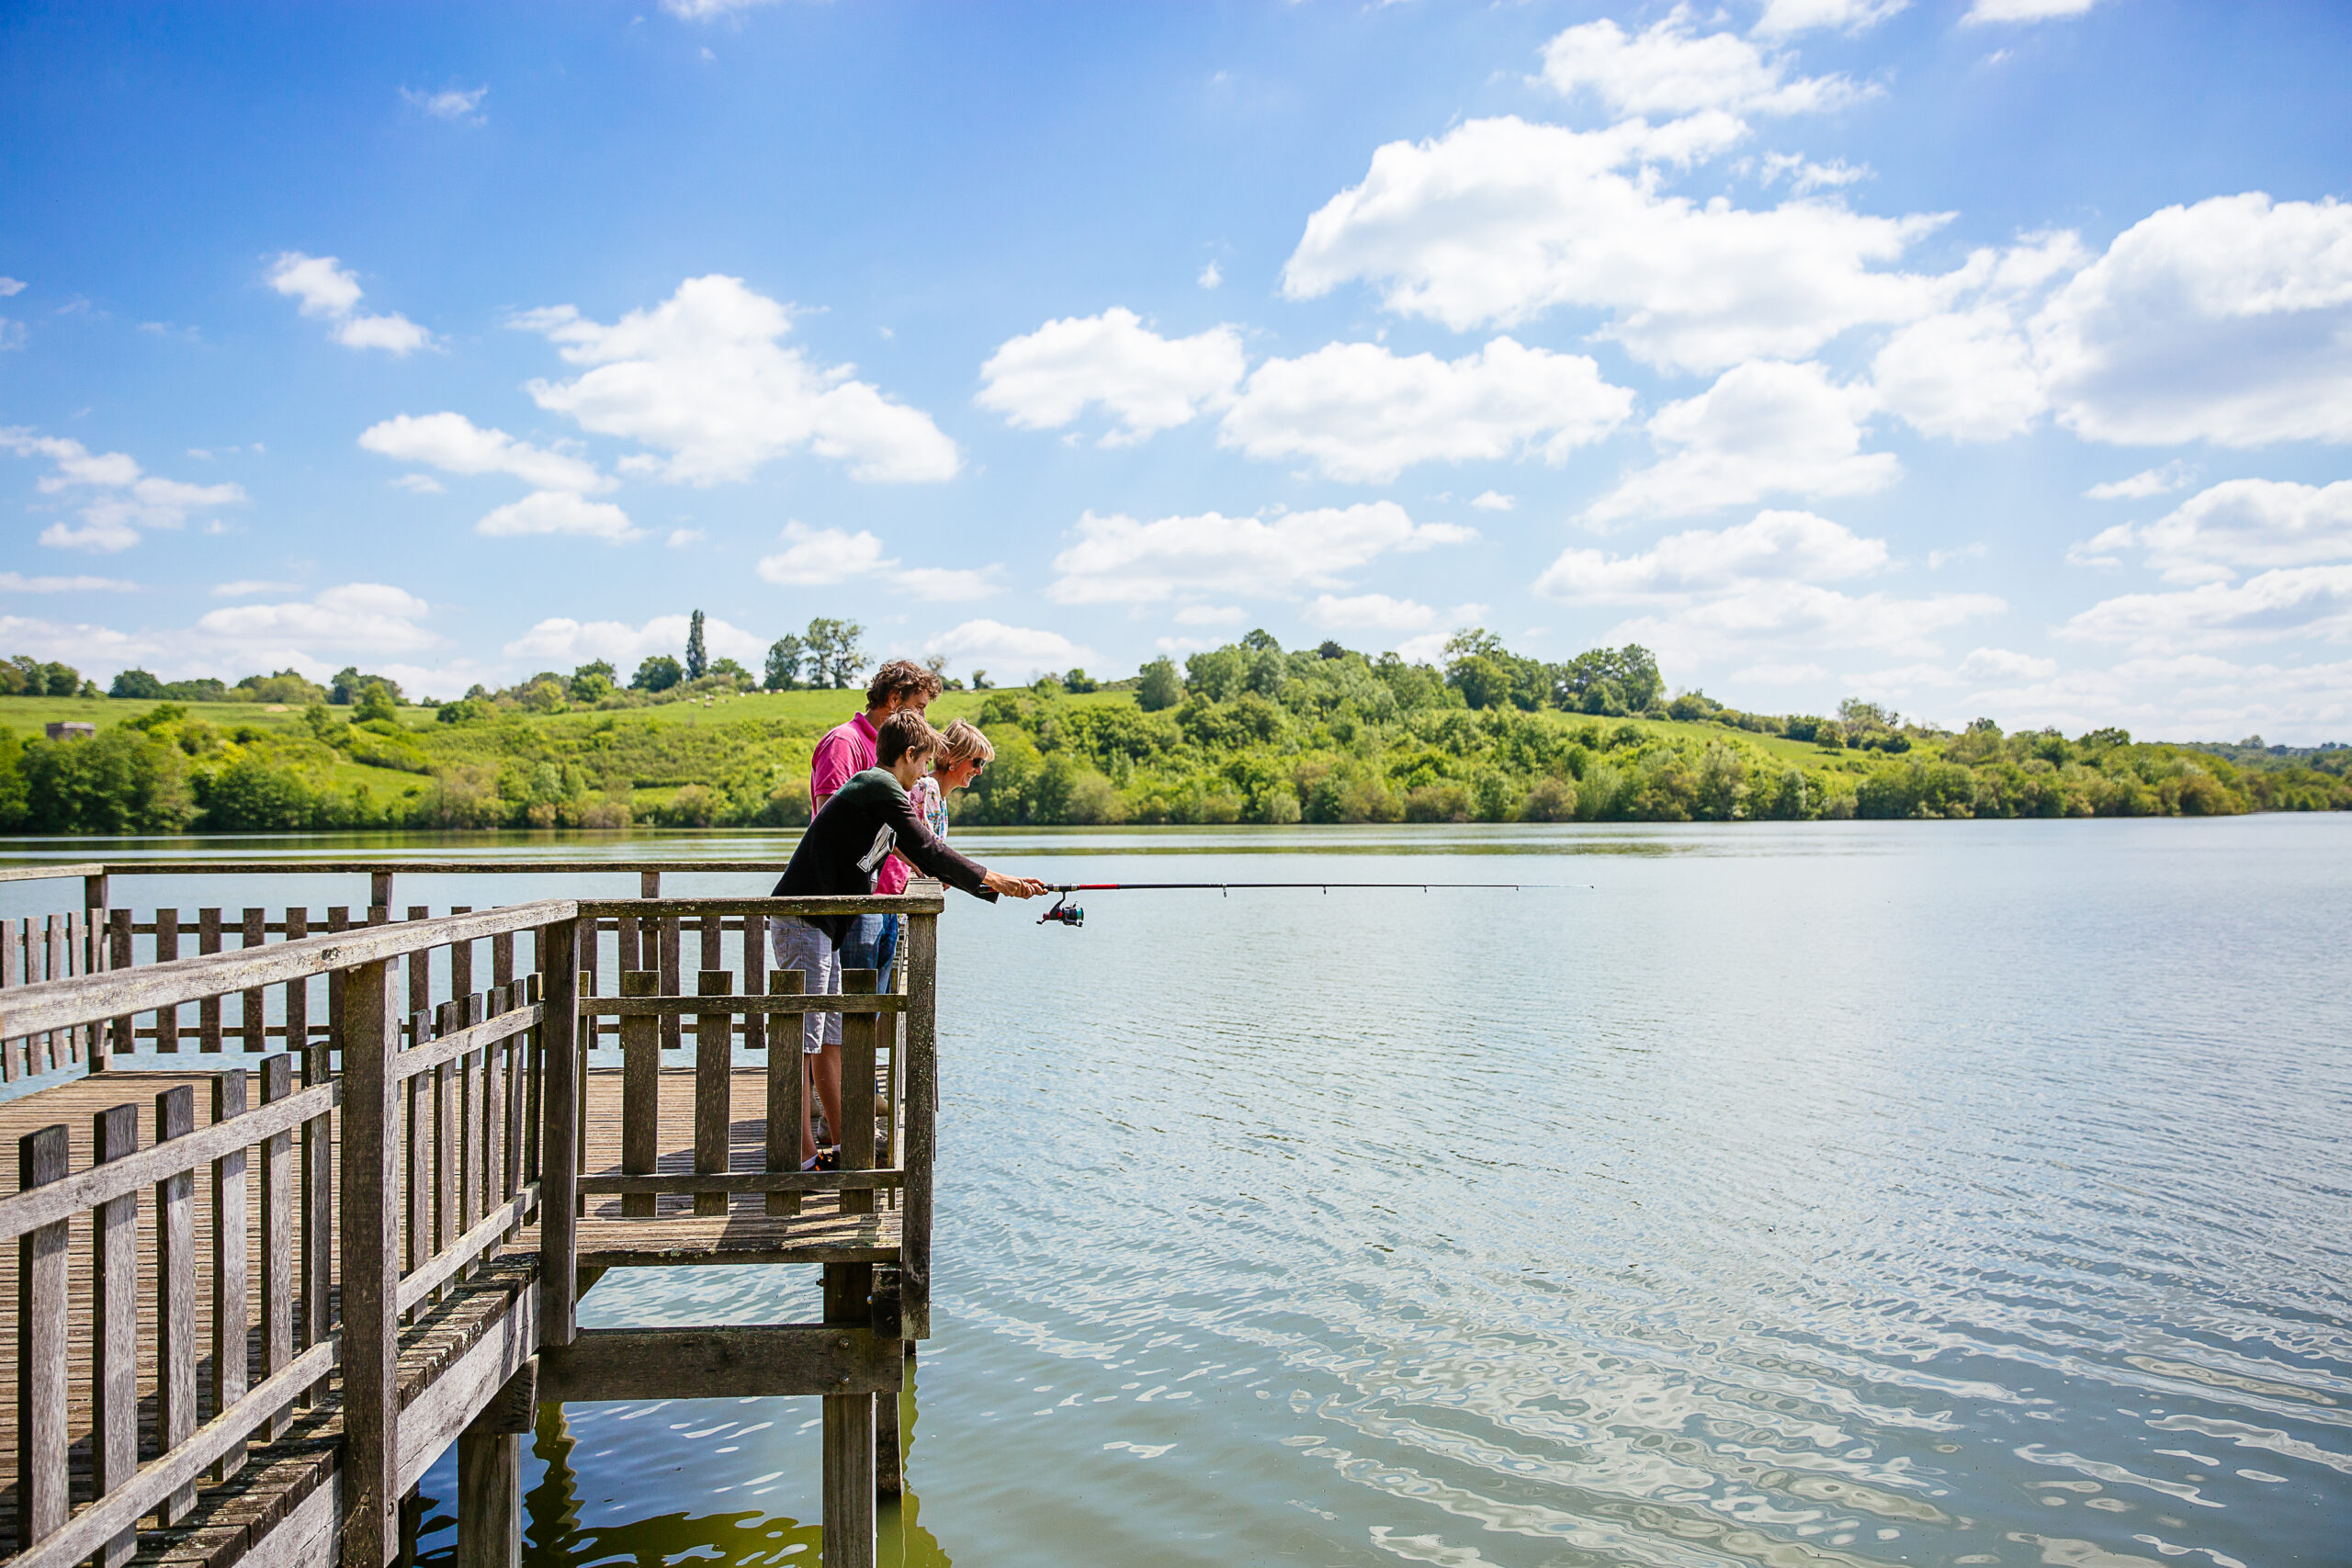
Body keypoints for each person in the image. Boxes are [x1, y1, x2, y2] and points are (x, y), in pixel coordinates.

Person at [772, 710, 1046, 1166]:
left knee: (828, 1033)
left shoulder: (879, 793)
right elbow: (930, 847)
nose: (925, 775)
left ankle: (844, 1144)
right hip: (803, 920)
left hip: (824, 925)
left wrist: (976, 882)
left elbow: (915, 854)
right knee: (802, 1042)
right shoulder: (879, 787)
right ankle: (802, 1159)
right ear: (909, 754)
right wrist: (999, 880)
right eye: (923, 763)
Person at [810, 660, 943, 993]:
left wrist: (920, 866)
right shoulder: (845, 742)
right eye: (920, 707)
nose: (923, 718)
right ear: (895, 698)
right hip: (854, 899)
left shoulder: (891, 748)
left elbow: (893, 826)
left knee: (871, 1016)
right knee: (851, 1013)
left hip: (890, 898)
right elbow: (833, 820)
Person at [910, 718, 993, 840]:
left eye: (983, 763)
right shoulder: (927, 788)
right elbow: (923, 849)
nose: (979, 771)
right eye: (977, 762)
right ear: (953, 758)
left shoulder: (940, 797)